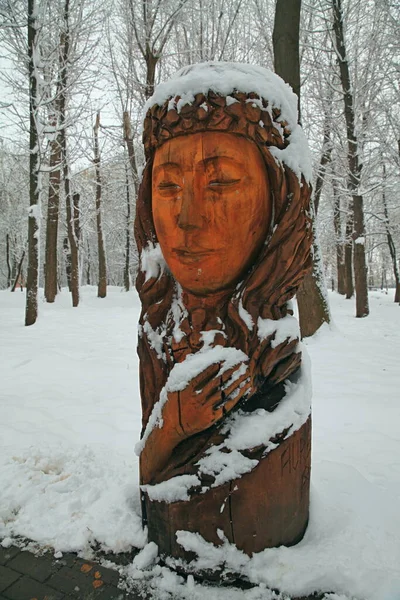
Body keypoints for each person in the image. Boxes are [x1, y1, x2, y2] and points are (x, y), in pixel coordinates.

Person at [134, 62, 312, 561]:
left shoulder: (277, 353)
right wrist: (171, 425)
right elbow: (148, 474)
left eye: (221, 183)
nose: (188, 218)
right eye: (168, 187)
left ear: (280, 200)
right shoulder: (156, 331)